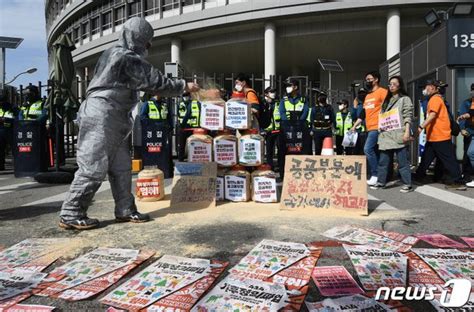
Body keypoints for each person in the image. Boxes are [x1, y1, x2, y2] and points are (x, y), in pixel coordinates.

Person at [59, 17, 199, 230]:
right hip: (103, 114)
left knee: (122, 167)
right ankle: (71, 212)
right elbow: (154, 82)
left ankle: (125, 209)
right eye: (147, 41)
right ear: (138, 38)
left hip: (116, 116)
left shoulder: (114, 54)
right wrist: (184, 86)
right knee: (94, 166)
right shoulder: (123, 56)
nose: (148, 47)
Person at [415, 80, 465, 190]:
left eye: (427, 87)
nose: (425, 89)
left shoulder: (435, 99)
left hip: (440, 135)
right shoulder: (436, 99)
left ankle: (457, 181)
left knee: (449, 160)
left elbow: (432, 115)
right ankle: (418, 176)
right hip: (434, 136)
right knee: (426, 158)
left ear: (434, 88)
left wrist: (420, 127)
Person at [370, 76, 414, 193]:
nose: (392, 86)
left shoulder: (405, 99)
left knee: (403, 162)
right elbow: (382, 116)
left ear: (400, 85)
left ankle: (407, 184)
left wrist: (407, 132)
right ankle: (381, 182)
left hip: (399, 134)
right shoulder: (386, 100)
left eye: (394, 84)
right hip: (386, 135)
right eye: (390, 84)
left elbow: (408, 116)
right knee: (383, 162)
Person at [351, 71, 388, 186]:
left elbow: (388, 108)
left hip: (378, 127)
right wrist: (354, 126)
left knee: (367, 149)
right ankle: (380, 176)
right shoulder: (368, 96)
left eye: (369, 79)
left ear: (376, 79)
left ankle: (375, 174)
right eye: (366, 79)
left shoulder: (383, 92)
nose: (367, 81)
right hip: (369, 128)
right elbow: (363, 114)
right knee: (375, 152)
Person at [260, 87, 281, 171]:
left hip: (278, 130)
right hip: (268, 131)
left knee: (280, 149)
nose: (273, 94)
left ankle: (280, 165)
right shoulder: (263, 104)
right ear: (266, 94)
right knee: (269, 151)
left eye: (274, 92)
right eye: (271, 92)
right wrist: (262, 130)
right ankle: (270, 166)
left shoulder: (277, 103)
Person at [459, 83, 474, 186]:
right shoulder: (467, 103)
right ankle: (467, 175)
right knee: (467, 155)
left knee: (470, 153)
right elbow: (462, 116)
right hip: (469, 132)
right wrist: (462, 129)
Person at [179, 93, 201, 161]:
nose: (186, 97)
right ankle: (183, 157)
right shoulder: (181, 104)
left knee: (188, 143)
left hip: (191, 127)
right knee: (185, 143)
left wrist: (182, 125)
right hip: (192, 127)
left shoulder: (193, 104)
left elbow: (187, 115)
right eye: (184, 96)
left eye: (187, 96)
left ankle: (186, 158)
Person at [0, 95, 16, 171]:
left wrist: (6, 119)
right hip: (1, 130)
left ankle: (17, 165)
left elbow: (18, 119)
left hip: (10, 130)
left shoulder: (13, 108)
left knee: (14, 149)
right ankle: (1, 166)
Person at [351, 87, 367, 155]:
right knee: (356, 150)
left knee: (365, 150)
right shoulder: (358, 105)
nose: (362, 95)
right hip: (358, 131)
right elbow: (353, 117)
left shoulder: (369, 103)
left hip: (367, 131)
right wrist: (354, 107)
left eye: (363, 93)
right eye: (360, 93)